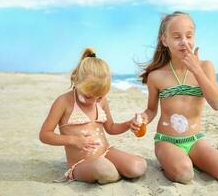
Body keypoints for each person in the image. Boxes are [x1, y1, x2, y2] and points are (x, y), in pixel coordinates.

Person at [130, 11, 218, 185]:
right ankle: (176, 162)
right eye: (177, 37)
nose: (184, 41)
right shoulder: (157, 76)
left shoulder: (206, 67)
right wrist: (143, 119)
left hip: (196, 140)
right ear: (164, 40)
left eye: (189, 36)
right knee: (184, 174)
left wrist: (196, 70)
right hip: (167, 141)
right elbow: (152, 110)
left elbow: (217, 104)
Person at [39, 48, 147, 184]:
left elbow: (111, 128)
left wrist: (128, 124)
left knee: (138, 166)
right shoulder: (64, 102)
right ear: (77, 81)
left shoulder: (100, 101)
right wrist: (74, 140)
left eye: (99, 97)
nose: (95, 101)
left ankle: (115, 170)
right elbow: (45, 135)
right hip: (81, 163)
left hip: (106, 152)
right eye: (89, 96)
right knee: (104, 169)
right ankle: (111, 172)